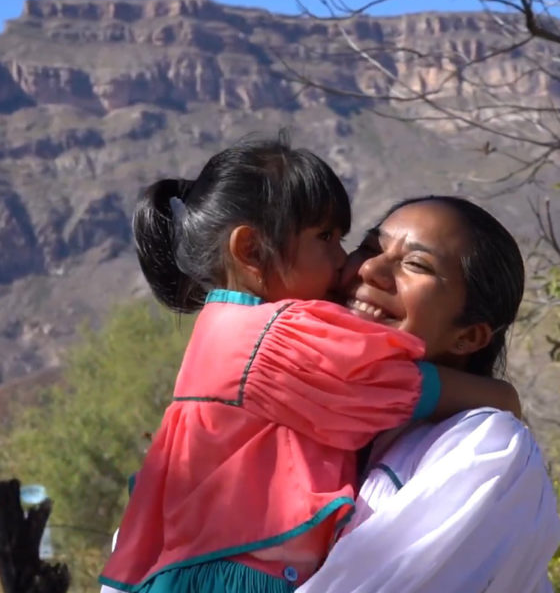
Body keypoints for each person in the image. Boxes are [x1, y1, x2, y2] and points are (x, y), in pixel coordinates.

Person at [99, 139, 519, 593]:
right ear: (252, 251)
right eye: (326, 239)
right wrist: (500, 396)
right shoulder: (276, 335)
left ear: (472, 334)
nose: (351, 265)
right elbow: (378, 381)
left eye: (414, 264)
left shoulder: (228, 329)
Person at [297, 196, 560, 593]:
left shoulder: (486, 448)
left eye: (416, 265)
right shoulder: (308, 420)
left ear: (468, 336)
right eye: (369, 248)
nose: (370, 269)